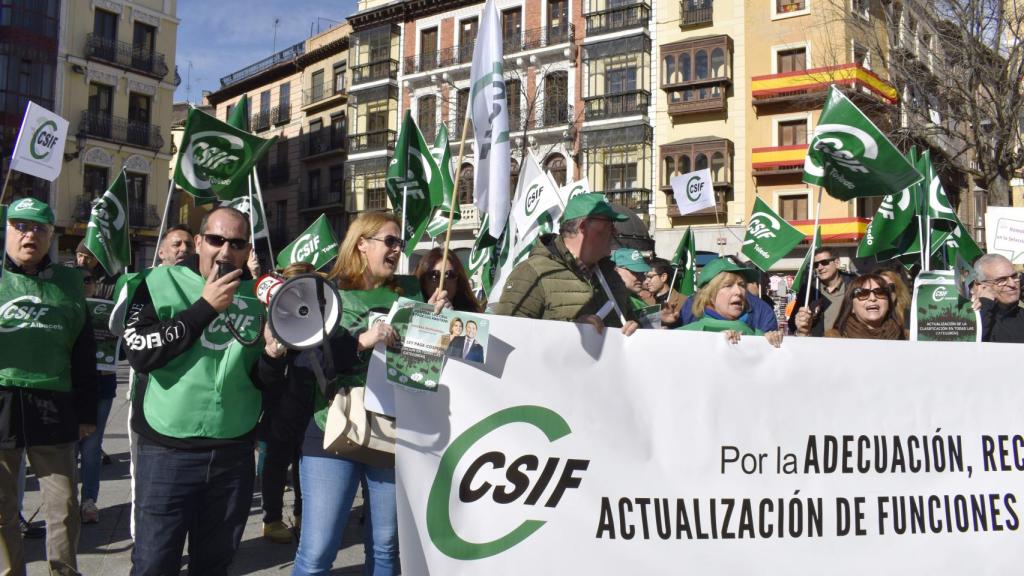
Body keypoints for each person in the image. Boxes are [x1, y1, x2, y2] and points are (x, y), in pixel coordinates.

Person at [123, 206, 288, 575]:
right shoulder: (159, 283)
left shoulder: (261, 297)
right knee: (153, 563)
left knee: (214, 564)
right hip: (168, 449)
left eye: (236, 243)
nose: (225, 250)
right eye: (215, 240)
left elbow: (264, 382)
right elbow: (139, 353)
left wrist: (275, 356)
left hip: (233, 452)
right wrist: (204, 308)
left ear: (247, 251)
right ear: (199, 243)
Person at [292, 212, 447, 576]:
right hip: (332, 429)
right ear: (362, 243)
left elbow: (419, 367)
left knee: (386, 551)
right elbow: (308, 362)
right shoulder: (325, 292)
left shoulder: (410, 291)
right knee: (317, 551)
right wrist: (364, 340)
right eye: (389, 241)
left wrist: (433, 323)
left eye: (399, 243)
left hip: (393, 431)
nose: (397, 249)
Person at [0, 197, 98, 576]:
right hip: (3, 400)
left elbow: (84, 350)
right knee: (2, 508)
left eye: (40, 228)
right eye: (21, 226)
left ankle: (64, 571)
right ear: (7, 230)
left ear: (51, 236)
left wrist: (87, 413)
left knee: (64, 507)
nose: (30, 235)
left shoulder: (69, 282)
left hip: (53, 402)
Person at [494, 193, 640, 336]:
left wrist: (635, 328)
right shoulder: (533, 272)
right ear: (583, 226)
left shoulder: (611, 275)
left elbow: (632, 321)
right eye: (609, 224)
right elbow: (507, 335)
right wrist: (570, 332)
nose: (615, 231)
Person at [260, 262, 316, 545]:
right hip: (281, 400)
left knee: (304, 462)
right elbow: (265, 368)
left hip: (308, 397)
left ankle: (302, 514)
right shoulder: (272, 315)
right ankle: (271, 518)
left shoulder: (318, 311)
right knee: (277, 461)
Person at [77, 267, 118, 525]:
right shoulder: (64, 310)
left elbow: (122, 353)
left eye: (88, 280)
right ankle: (67, 499)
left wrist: (117, 336)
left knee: (91, 447)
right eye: (78, 281)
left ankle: (88, 500)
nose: (84, 285)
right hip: (68, 387)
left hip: (101, 386)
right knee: (67, 448)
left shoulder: (108, 312)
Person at [679, 257, 784, 347]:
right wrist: (713, 341)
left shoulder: (759, 335)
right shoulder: (682, 336)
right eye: (728, 285)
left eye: (742, 285)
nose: (738, 291)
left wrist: (770, 343)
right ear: (708, 294)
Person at [790, 247, 855, 336]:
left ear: (837, 263)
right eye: (816, 265)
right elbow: (792, 325)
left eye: (824, 263)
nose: (820, 268)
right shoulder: (809, 290)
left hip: (850, 344)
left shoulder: (854, 286)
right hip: (818, 346)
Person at [821, 273, 907, 340]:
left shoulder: (908, 339)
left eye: (880, 292)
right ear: (852, 307)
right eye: (862, 293)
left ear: (889, 304)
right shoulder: (833, 339)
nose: (872, 298)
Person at [973, 253, 1024, 343]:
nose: (1012, 284)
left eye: (1014, 276)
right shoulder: (968, 319)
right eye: (1001, 280)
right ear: (980, 285)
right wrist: (984, 306)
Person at [414, 247, 482, 313]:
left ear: (458, 282)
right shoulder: (408, 312)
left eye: (450, 275)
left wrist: (451, 317)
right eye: (434, 275)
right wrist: (426, 314)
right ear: (424, 281)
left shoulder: (473, 316)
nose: (442, 281)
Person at [644, 258, 687, 329]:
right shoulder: (644, 302)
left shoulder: (684, 302)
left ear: (663, 277)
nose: (646, 281)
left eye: (650, 277)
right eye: (645, 277)